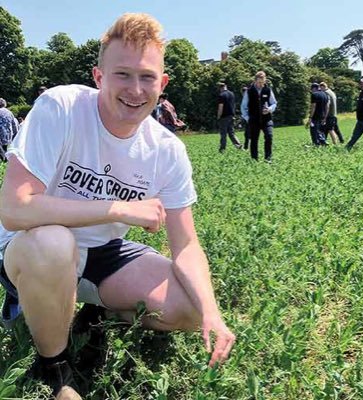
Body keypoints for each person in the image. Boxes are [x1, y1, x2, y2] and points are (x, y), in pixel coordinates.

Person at [0, 13, 235, 400]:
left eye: (146, 77)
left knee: (187, 309)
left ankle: (96, 313)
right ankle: (56, 368)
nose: (135, 89)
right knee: (53, 244)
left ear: (163, 84)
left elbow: (187, 245)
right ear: (98, 77)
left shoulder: (166, 149)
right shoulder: (61, 108)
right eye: (122, 75)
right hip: (33, 244)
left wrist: (211, 312)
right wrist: (117, 209)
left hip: (103, 252)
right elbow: (15, 209)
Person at [241, 71, 277, 162]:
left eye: (263, 82)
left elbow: (274, 103)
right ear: (255, 80)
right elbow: (243, 106)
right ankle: (254, 159)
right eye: (259, 82)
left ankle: (268, 159)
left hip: (266, 119)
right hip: (253, 119)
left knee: (269, 136)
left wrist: (269, 109)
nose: (261, 84)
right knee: (254, 140)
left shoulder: (268, 90)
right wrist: (247, 118)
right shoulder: (249, 91)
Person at [217, 82, 242, 153]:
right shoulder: (232, 94)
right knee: (231, 133)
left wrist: (218, 116)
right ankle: (238, 145)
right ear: (226, 86)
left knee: (223, 134)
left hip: (224, 117)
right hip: (231, 116)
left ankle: (222, 149)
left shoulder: (221, 95)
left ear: (220, 88)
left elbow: (220, 107)